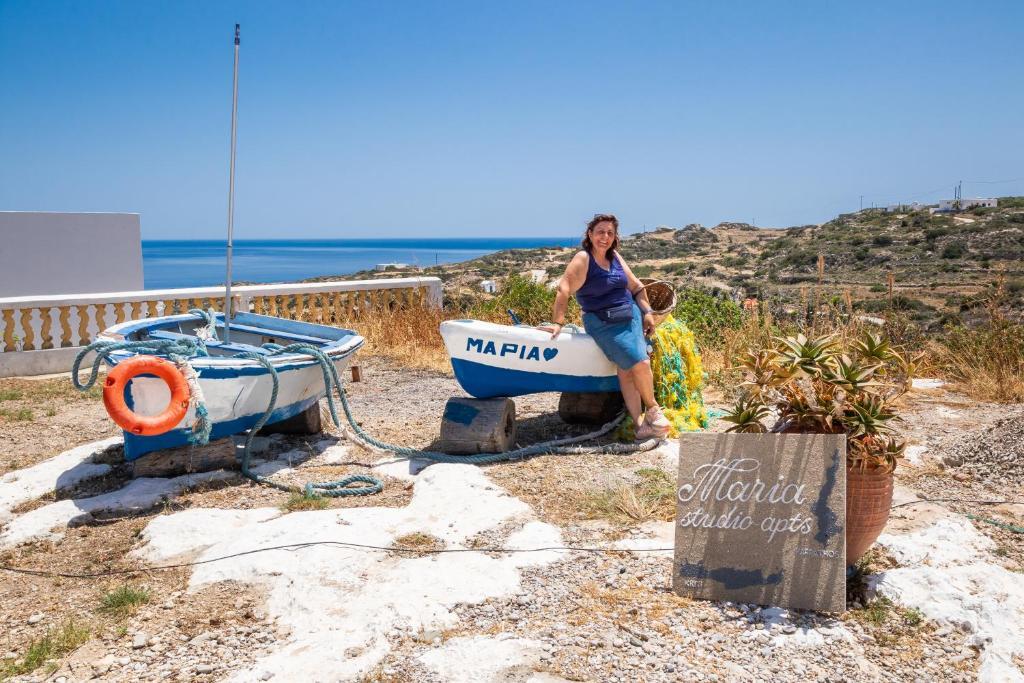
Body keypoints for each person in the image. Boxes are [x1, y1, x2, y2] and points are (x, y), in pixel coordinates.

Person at [543, 214, 671, 440]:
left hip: (631, 317)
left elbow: (637, 287)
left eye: (610, 233)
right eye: (600, 232)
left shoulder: (615, 257)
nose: (605, 237)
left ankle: (640, 427)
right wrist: (557, 323)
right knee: (640, 362)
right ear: (590, 234)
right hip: (603, 323)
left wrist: (648, 313)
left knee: (626, 371)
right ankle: (653, 409)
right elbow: (564, 288)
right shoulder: (583, 258)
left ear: (615, 237)